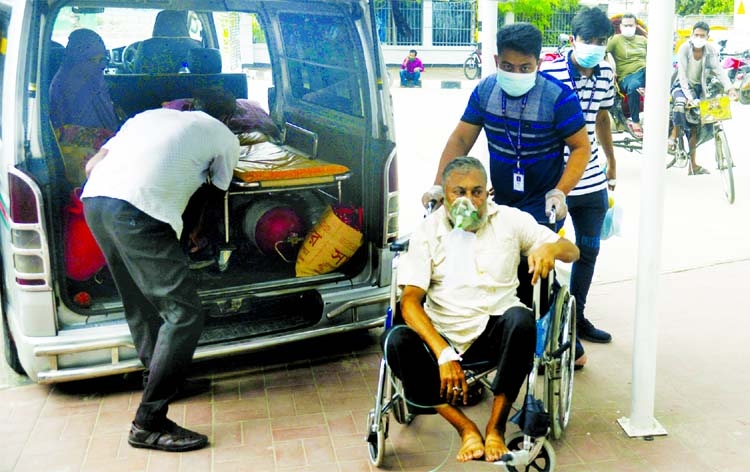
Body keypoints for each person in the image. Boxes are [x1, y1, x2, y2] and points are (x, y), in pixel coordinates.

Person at [385, 156, 579, 463]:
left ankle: (495, 427)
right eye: (458, 192)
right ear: (445, 196)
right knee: (396, 342)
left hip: (495, 327)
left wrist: (550, 248)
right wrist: (442, 353)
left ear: (487, 193)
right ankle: (466, 429)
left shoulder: (510, 220)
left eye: (476, 192)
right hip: (443, 335)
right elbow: (410, 301)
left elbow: (572, 251)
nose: (468, 201)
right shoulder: (428, 231)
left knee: (522, 319)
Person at [81, 88, 241, 452]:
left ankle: (161, 376)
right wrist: (199, 234)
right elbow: (217, 195)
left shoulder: (147, 117)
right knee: (183, 314)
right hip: (139, 212)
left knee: (138, 301)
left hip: (96, 201)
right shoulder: (224, 136)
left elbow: (92, 166)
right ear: (230, 118)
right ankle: (148, 423)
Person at [426, 22, 590, 225]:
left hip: (543, 209)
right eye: (507, 66)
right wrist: (438, 185)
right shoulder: (485, 91)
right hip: (499, 205)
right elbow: (460, 140)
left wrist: (560, 192)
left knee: (532, 257)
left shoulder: (559, 97)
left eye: (525, 68)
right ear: (496, 60)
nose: (516, 74)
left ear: (538, 64)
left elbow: (581, 147)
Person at [539, 6, 617, 363]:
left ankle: (577, 318)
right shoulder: (551, 71)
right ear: (573, 40)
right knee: (547, 256)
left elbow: (602, 117)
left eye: (601, 41)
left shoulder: (606, 70)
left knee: (589, 252)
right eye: (588, 40)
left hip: (593, 182)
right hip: (556, 183)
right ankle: (550, 326)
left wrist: (611, 162)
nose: (594, 47)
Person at [49, 28, 121, 185]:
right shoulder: (68, 84)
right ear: (77, 59)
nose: (101, 66)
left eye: (103, 60)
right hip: (76, 149)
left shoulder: (95, 80)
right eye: (92, 60)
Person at [669, 21, 737, 175]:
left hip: (700, 90)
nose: (699, 38)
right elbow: (682, 75)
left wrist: (730, 88)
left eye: (702, 35)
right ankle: (673, 136)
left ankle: (692, 165)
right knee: (679, 105)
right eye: (696, 35)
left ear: (707, 37)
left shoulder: (710, 50)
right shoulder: (685, 48)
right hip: (681, 86)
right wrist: (689, 97)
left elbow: (719, 70)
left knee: (695, 126)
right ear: (692, 35)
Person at [606, 13, 647, 139]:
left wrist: (643, 31)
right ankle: (635, 121)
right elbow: (603, 52)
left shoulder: (643, 40)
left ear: (636, 26)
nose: (628, 27)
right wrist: (609, 68)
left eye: (631, 25)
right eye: (626, 25)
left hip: (645, 71)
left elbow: (659, 48)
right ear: (621, 26)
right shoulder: (616, 39)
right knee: (635, 85)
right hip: (627, 77)